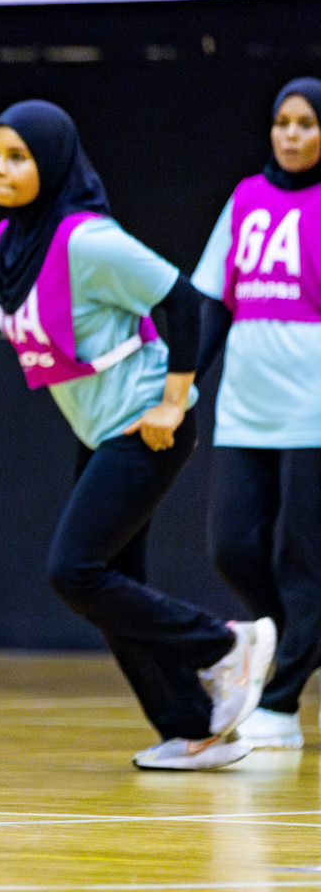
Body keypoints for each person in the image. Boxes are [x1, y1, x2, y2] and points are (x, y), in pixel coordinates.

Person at [0, 99, 276, 771]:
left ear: (53, 162)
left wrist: (173, 403)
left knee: (76, 571)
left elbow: (181, 299)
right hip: (100, 431)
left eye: (17, 157)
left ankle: (222, 645)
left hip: (145, 425)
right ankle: (194, 728)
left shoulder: (87, 240)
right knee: (114, 583)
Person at [193, 77, 321, 750]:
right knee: (231, 546)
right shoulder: (246, 198)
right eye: (282, 122)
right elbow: (214, 301)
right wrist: (183, 382)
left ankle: (280, 703)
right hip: (245, 405)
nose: (292, 134)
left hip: (314, 409)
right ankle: (298, 637)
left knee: (304, 558)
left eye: (306, 123)